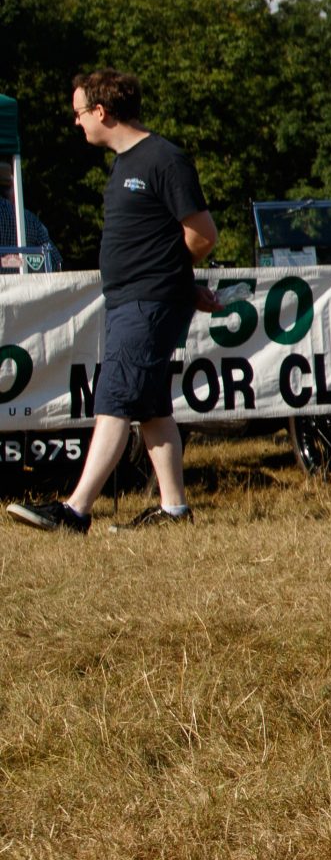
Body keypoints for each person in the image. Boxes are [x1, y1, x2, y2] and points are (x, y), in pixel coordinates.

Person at [7, 70, 219, 534]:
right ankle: (174, 510)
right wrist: (179, 283)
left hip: (147, 302)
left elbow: (202, 235)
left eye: (79, 113)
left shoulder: (163, 158)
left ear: (101, 111)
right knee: (150, 406)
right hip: (133, 300)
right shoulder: (125, 163)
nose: (76, 123)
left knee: (116, 398)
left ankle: (75, 510)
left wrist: (170, 281)